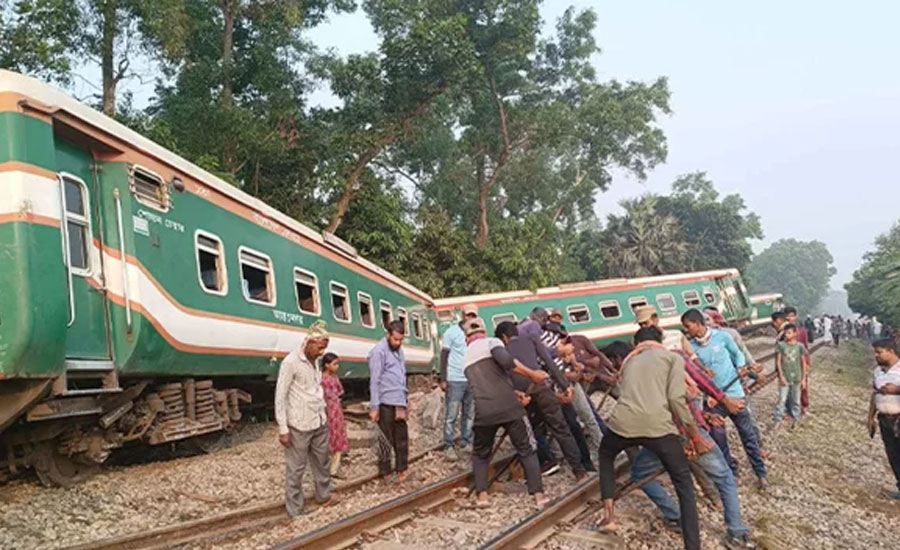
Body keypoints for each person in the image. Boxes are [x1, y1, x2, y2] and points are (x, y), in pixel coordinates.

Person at [630, 350, 758, 550]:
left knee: (639, 474)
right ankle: (736, 532)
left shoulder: (640, 374)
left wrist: (701, 420)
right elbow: (691, 396)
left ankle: (676, 516)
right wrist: (700, 427)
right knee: (725, 479)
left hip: (665, 438)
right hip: (691, 433)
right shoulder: (676, 359)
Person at [595, 326, 708, 550]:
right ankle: (692, 546)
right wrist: (694, 435)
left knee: (606, 455)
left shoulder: (628, 361)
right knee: (684, 484)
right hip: (659, 429)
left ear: (637, 343)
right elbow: (676, 400)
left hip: (622, 424)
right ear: (660, 341)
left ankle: (609, 516)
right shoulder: (672, 358)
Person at [463, 317, 550, 507]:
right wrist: (533, 374)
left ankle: (482, 497)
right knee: (527, 448)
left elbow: (488, 384)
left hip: (484, 411)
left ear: (466, 337)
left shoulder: (466, 357)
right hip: (510, 408)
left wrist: (514, 392)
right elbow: (507, 361)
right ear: (484, 332)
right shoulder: (491, 342)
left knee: (480, 454)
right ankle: (538, 496)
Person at [682, 309, 769, 490]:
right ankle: (731, 472)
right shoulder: (690, 348)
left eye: (688, 326)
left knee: (748, 436)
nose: (686, 330)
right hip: (713, 401)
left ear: (699, 324)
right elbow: (696, 377)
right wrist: (707, 396)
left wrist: (740, 367)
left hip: (735, 394)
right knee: (719, 439)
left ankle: (760, 473)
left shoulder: (722, 337)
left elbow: (738, 354)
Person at [495, 321, 588, 479]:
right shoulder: (531, 339)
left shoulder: (501, 350)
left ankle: (545, 463)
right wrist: (565, 385)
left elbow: (503, 377)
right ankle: (579, 471)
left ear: (503, 337)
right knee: (561, 429)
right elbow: (549, 363)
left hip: (522, 395)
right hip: (542, 388)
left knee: (531, 431)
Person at [275, 320, 338, 518]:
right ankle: (294, 511)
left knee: (322, 462)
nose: (322, 353)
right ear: (309, 342)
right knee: (296, 469)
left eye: (324, 349)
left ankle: (324, 496)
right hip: (299, 425)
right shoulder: (290, 362)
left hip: (318, 421)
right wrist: (283, 428)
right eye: (320, 348)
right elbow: (280, 396)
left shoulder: (315, 360)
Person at [369, 320, 410, 482]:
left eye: (400, 340)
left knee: (401, 437)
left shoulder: (399, 351)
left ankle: (402, 468)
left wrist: (406, 400)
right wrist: (374, 406)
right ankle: (385, 471)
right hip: (386, 402)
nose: (398, 343)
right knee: (385, 439)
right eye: (395, 339)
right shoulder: (378, 352)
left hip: (399, 401)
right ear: (388, 335)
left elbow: (402, 375)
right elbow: (375, 380)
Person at [439, 304, 478, 461]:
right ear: (463, 315)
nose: (470, 318)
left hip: (471, 378)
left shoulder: (476, 333)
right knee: (451, 414)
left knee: (469, 414)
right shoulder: (452, 332)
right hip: (455, 379)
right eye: (468, 315)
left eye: (473, 316)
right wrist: (443, 378)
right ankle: (448, 445)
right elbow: (444, 355)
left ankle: (466, 441)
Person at [869, 338, 900, 499]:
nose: (876, 355)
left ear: (891, 351)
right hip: (884, 419)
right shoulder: (878, 371)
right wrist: (870, 418)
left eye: (879, 352)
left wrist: (897, 390)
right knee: (893, 454)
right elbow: (874, 394)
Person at [774, 324, 808, 429]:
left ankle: (796, 419)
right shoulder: (781, 345)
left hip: (797, 377)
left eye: (789, 333)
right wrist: (781, 376)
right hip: (785, 377)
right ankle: (778, 420)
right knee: (782, 399)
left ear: (795, 333)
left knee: (796, 400)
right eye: (785, 333)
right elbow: (778, 362)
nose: (787, 335)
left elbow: (803, 363)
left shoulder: (800, 346)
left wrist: (803, 379)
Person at [321, 352, 349, 478]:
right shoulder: (321, 379)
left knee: (336, 436)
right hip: (326, 411)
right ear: (327, 365)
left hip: (335, 411)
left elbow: (340, 391)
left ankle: (333, 468)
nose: (337, 366)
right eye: (335, 364)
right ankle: (327, 467)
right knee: (328, 436)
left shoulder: (332, 378)